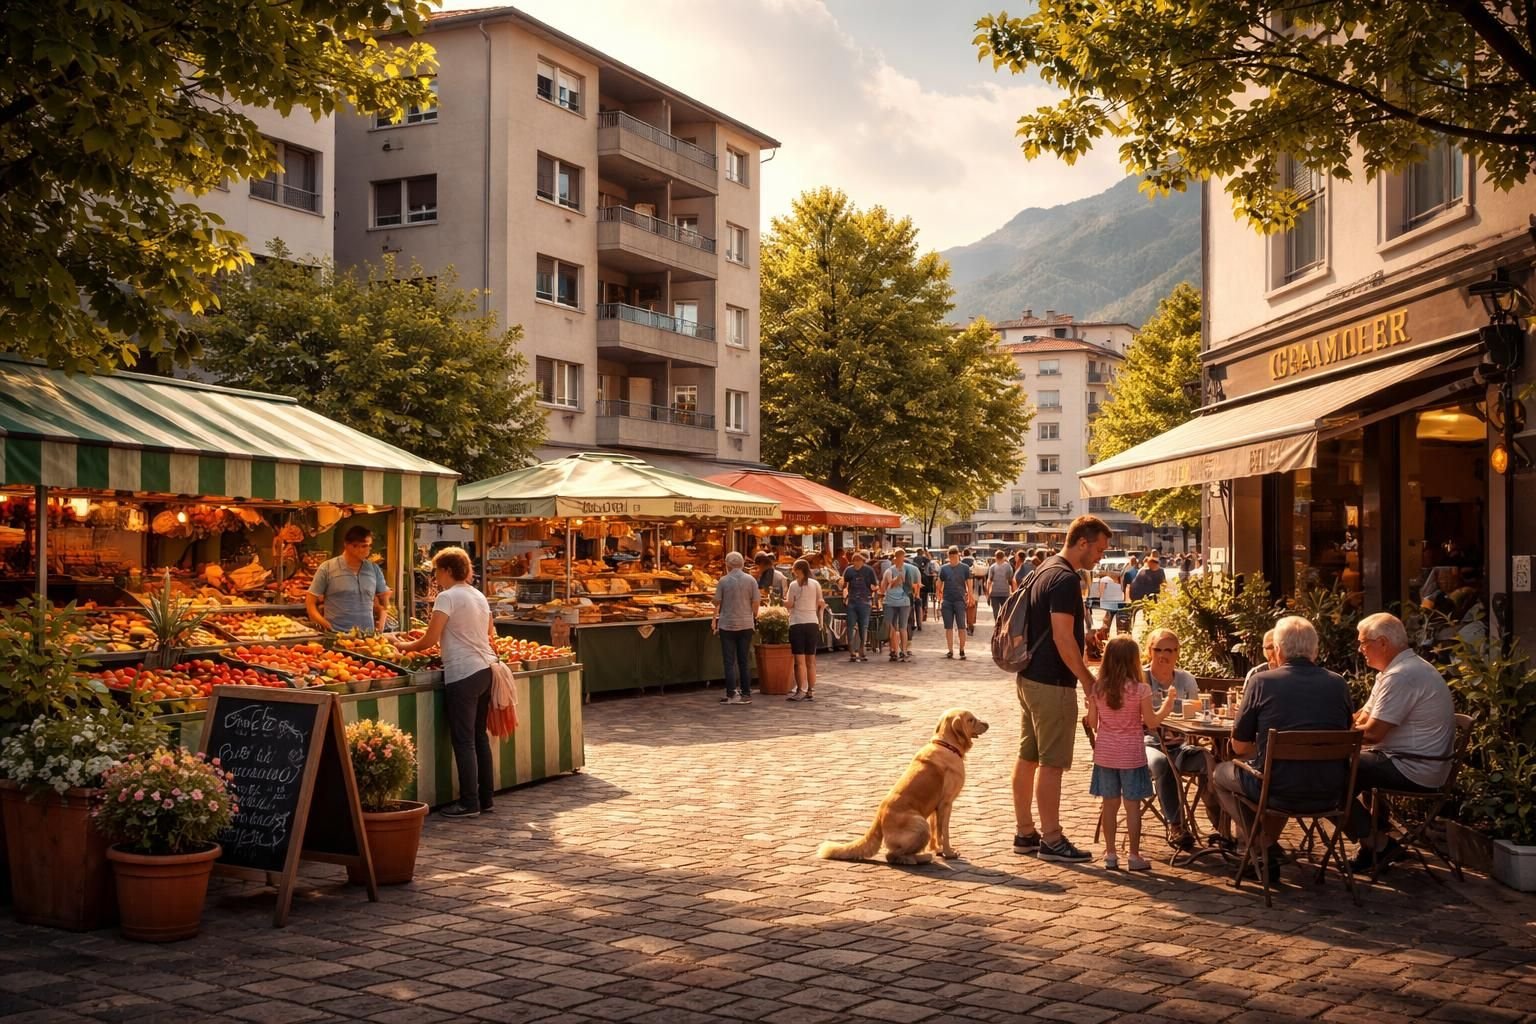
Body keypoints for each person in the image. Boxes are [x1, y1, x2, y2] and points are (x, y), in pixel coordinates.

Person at [1211, 615, 1354, 878]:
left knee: (1221, 773)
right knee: (1275, 769)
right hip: (1331, 789)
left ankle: (1262, 844)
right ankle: (1265, 844)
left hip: (1277, 788)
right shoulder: (1338, 684)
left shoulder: (1262, 682)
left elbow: (1240, 747)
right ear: (1316, 650)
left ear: (1277, 650)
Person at [1012, 514, 1113, 863]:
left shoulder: (1044, 569)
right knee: (1051, 763)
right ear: (1082, 542)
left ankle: (1025, 832)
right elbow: (1061, 637)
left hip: (1028, 676)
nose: (1101, 556)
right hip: (1052, 682)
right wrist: (1087, 680)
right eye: (1099, 549)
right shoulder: (1066, 579)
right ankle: (1052, 839)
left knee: (1029, 756)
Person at [1347, 612, 1456, 872]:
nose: (1360, 649)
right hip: (1403, 759)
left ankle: (1377, 842)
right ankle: (1374, 840)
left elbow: (1372, 733)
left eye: (1364, 643)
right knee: (1342, 769)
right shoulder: (1391, 672)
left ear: (1382, 642)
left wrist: (1331, 735)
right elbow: (1361, 716)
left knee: (1331, 773)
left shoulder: (1402, 675)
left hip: (1414, 766)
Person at [396, 547, 496, 818]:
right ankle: (486, 798)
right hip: (486, 668)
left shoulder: (447, 597)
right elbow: (489, 631)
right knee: (478, 737)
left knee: (463, 741)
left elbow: (429, 639)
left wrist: (401, 645)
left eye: (437, 571)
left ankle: (469, 803)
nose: (435, 576)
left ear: (448, 570)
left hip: (463, 672)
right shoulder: (478, 595)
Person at [1087, 636, 1176, 870]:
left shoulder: (1098, 689)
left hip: (1106, 754)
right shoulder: (1141, 690)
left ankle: (1111, 853)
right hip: (1132, 755)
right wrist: (1167, 705)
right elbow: (1151, 722)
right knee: (1132, 805)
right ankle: (1134, 856)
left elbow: (1093, 723)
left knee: (1109, 804)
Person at [1141, 629, 1217, 851]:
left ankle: (1222, 828)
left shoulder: (1186, 680)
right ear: (1149, 651)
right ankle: (1177, 826)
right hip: (1147, 744)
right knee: (1163, 764)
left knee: (1212, 762)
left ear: (1177, 653)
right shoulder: (1141, 679)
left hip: (1180, 746)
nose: (1163, 655)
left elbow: (1196, 716)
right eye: (1158, 649)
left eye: (1169, 650)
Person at [306, 525, 391, 632]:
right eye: (364, 546)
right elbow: (310, 602)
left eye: (369, 546)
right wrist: (326, 624)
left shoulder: (374, 569)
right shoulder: (327, 568)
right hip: (336, 635)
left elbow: (385, 601)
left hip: (367, 637)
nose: (368, 550)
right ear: (348, 546)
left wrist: (381, 625)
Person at [713, 551, 760, 705]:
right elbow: (756, 603)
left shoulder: (723, 581)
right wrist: (753, 615)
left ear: (727, 564)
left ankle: (731, 693)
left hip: (727, 624)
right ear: (741, 564)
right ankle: (746, 693)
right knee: (743, 660)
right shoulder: (751, 580)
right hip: (746, 624)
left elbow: (716, 602)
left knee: (729, 661)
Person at [784, 558, 826, 702]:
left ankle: (800, 689)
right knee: (811, 660)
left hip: (797, 623)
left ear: (798, 570)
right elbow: (821, 602)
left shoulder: (793, 585)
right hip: (812, 622)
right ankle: (811, 690)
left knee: (799, 661)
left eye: (794, 569)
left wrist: (780, 600)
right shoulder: (815, 584)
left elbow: (789, 604)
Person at [881, 548, 920, 663]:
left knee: (901, 627)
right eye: (899, 557)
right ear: (895, 558)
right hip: (892, 602)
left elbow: (916, 584)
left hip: (903, 602)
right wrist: (896, 580)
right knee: (894, 627)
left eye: (902, 557)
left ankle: (902, 650)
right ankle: (895, 650)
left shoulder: (909, 569)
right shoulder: (889, 571)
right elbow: (886, 586)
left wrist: (915, 591)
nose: (901, 560)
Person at [841, 550, 878, 663]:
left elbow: (875, 584)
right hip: (852, 602)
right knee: (850, 626)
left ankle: (862, 650)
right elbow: (844, 584)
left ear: (863, 561)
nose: (856, 563)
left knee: (863, 627)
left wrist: (873, 593)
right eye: (855, 561)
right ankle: (852, 650)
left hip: (865, 602)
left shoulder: (869, 570)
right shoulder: (849, 570)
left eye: (859, 561)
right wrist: (844, 594)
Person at [937, 546, 973, 659]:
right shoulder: (944, 569)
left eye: (954, 555)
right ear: (948, 556)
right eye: (951, 556)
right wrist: (939, 595)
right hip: (947, 600)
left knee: (962, 626)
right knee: (948, 627)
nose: (953, 558)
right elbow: (939, 582)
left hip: (960, 600)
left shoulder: (965, 568)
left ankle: (962, 650)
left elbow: (969, 583)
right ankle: (950, 650)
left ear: (959, 555)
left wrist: (970, 596)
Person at [986, 549, 1014, 621]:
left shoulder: (992, 567)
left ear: (995, 557)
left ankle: (997, 625)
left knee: (996, 611)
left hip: (994, 593)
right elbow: (1011, 580)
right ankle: (1003, 625)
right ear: (1004, 557)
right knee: (1005, 611)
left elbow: (989, 581)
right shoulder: (1008, 567)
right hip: (1005, 593)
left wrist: (988, 595)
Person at [1095, 568, 1125, 632]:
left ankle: (1104, 632)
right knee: (1109, 619)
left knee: (1107, 620)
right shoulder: (1109, 579)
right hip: (1110, 603)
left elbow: (1102, 592)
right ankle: (1105, 632)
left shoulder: (1105, 579)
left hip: (1107, 603)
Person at [911, 547, 933, 630]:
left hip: (914, 590)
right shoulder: (923, 560)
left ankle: (913, 622)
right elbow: (929, 560)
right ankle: (922, 619)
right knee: (922, 602)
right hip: (923, 586)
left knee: (913, 605)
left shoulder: (915, 559)